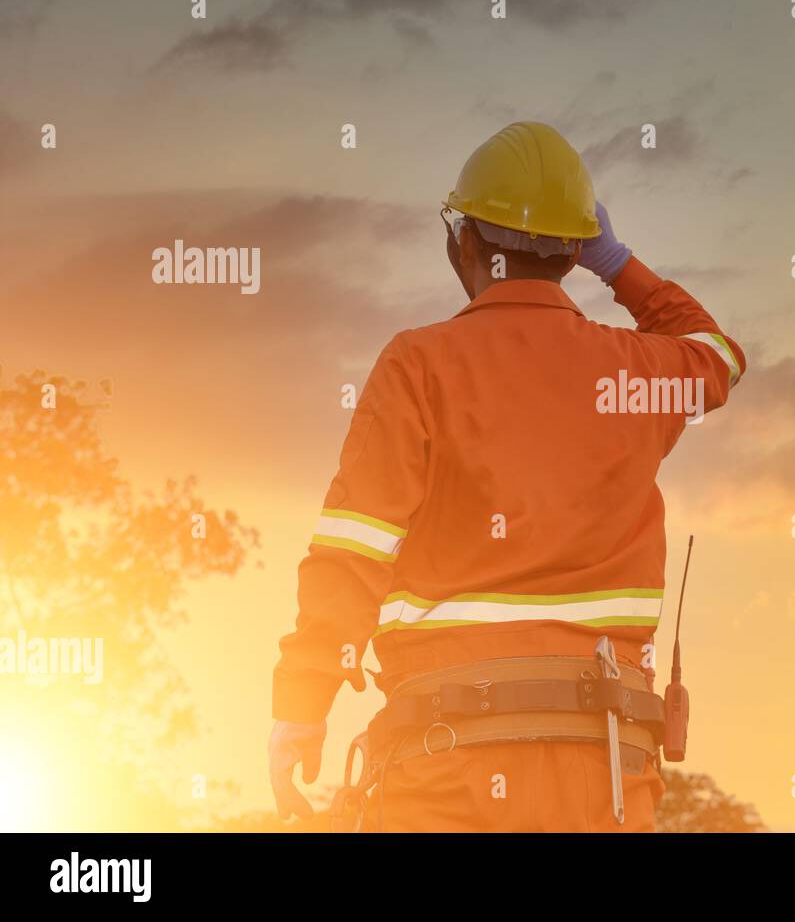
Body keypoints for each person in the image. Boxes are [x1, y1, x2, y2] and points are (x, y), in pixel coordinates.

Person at [268, 121, 745, 831]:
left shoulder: (417, 365)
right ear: (573, 253)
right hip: (606, 770)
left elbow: (353, 552)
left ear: (466, 244)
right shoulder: (637, 374)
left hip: (444, 764)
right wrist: (617, 265)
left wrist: (302, 707)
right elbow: (717, 355)